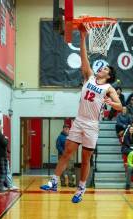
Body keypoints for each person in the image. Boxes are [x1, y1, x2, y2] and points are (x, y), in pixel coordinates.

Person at [40, 29, 122, 203]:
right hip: (79, 121)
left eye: (105, 68)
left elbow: (120, 107)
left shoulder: (109, 89)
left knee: (85, 160)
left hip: (92, 125)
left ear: (109, 75)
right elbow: (84, 58)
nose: (101, 69)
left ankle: (81, 189)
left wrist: (110, 103)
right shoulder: (89, 77)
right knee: (66, 154)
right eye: (102, 67)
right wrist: (83, 37)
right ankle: (54, 182)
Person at [0, 121, 18, 193]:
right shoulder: (0, 135)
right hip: (2, 156)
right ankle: (0, 188)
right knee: (3, 172)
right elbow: (5, 144)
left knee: (0, 171)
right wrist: (6, 138)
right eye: (1, 125)